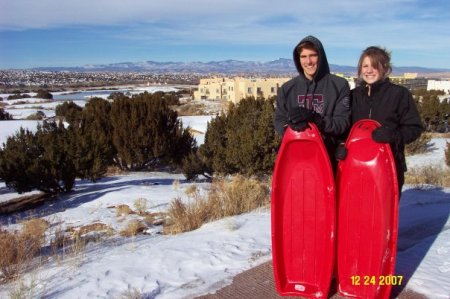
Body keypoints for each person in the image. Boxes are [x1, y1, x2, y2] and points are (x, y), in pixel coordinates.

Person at [345, 46, 424, 193]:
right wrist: (341, 146)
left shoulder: (399, 94)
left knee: (383, 213)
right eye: (365, 66)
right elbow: (343, 128)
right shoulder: (352, 96)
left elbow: (414, 127)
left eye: (375, 66)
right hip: (355, 166)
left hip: (389, 165)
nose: (369, 71)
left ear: (385, 68)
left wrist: (394, 135)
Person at [274, 35, 351, 168]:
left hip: (329, 159)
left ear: (321, 56)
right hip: (296, 160)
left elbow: (342, 122)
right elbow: (279, 120)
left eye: (313, 55)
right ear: (298, 59)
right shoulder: (287, 89)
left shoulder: (339, 85)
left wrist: (317, 120)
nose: (308, 61)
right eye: (303, 56)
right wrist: (290, 128)